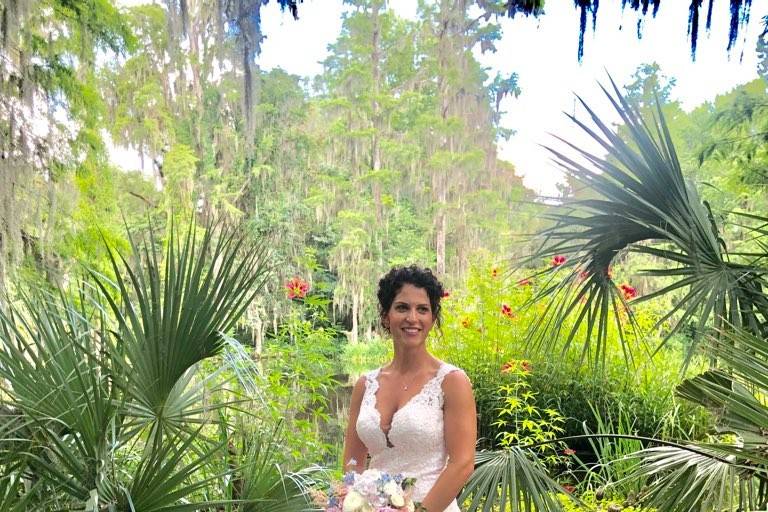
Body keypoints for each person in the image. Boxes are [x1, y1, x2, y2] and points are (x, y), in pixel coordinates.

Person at [342, 265, 477, 512]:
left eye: (422, 309)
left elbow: (463, 463)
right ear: (386, 316)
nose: (412, 318)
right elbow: (352, 462)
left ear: (432, 319)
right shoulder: (365, 385)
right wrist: (354, 501)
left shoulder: (451, 381)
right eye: (402, 307)